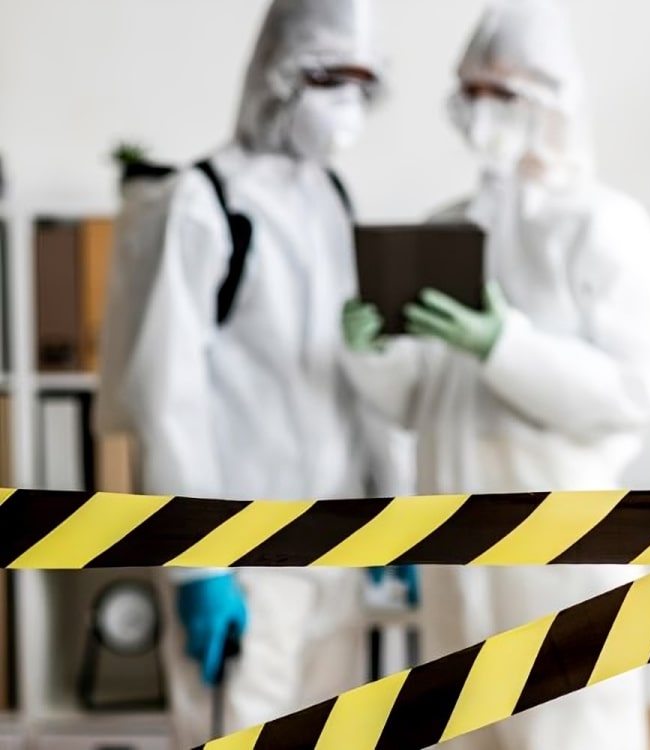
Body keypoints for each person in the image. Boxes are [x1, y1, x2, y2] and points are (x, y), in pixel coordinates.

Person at [340, 1, 650, 748]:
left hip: (563, 552)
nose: (481, 109)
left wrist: (505, 347)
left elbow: (634, 392)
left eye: (504, 92)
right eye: (472, 91)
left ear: (554, 99)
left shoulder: (605, 225)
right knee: (462, 727)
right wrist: (369, 355)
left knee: (567, 729)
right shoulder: (447, 225)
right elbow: (416, 403)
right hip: (458, 543)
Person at [95, 0, 406, 746]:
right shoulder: (205, 203)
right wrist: (199, 568)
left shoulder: (332, 199)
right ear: (281, 76)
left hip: (338, 542)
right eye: (331, 79)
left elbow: (350, 371)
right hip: (246, 557)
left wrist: (392, 511)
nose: (347, 105)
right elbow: (165, 396)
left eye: (363, 85)